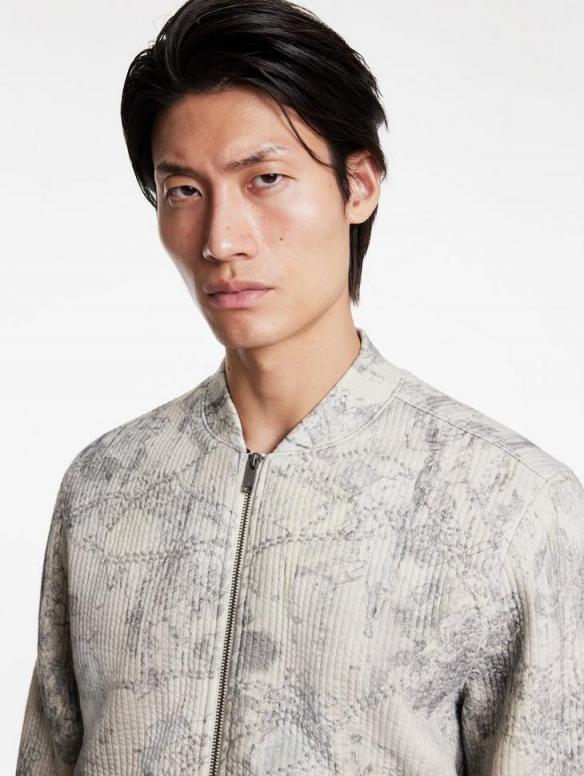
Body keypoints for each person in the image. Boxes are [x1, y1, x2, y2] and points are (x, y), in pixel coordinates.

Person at [16, 0, 584, 773]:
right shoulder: (106, 488)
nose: (221, 239)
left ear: (359, 186)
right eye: (183, 190)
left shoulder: (512, 506)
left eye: (266, 179)